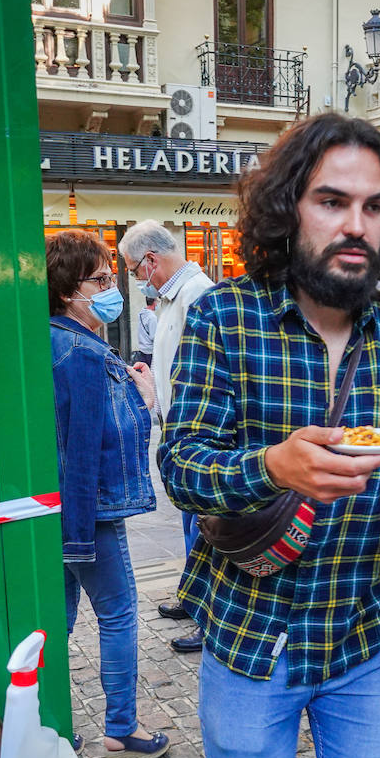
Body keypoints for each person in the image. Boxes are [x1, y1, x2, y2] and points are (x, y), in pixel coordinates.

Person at [161, 113, 380, 758]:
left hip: (362, 636)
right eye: (333, 201)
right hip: (255, 636)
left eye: (375, 207)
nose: (357, 225)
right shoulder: (227, 317)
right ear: (291, 208)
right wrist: (270, 465)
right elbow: (181, 468)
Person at [46, 228, 168, 758]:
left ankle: (49, 724)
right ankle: (122, 726)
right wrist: (144, 399)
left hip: (62, 506)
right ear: (69, 289)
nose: (110, 287)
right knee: (117, 614)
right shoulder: (81, 351)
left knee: (59, 616)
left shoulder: (52, 338)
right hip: (88, 508)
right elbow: (104, 436)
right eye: (99, 279)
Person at [117, 219, 217, 653]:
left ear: (151, 260)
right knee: (191, 527)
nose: (138, 279)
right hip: (178, 431)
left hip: (198, 438)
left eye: (136, 270)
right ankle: (195, 598)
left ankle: (210, 619)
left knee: (205, 531)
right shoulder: (174, 297)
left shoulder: (198, 296)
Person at [134, 293, 156, 367]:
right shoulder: (152, 317)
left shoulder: (141, 314)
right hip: (150, 351)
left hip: (142, 349)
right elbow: (153, 336)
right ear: (154, 302)